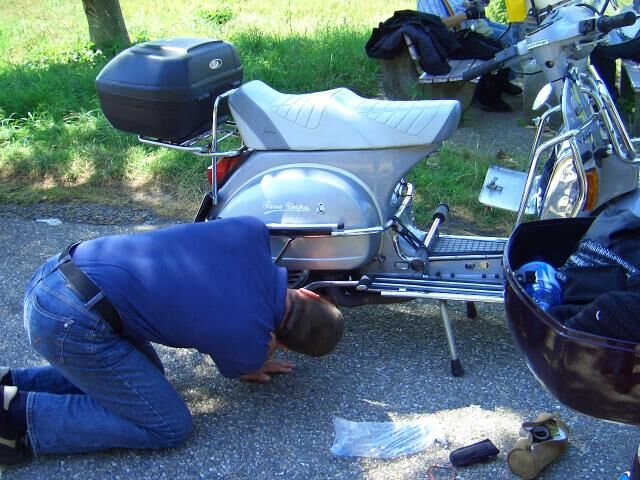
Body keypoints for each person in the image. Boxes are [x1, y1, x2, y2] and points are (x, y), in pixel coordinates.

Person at [0, 216, 344, 467]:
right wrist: (257, 353)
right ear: (284, 343)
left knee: (148, 379)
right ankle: (13, 420)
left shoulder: (251, 231)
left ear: (309, 295)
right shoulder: (247, 342)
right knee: (168, 425)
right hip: (67, 320)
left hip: (59, 272)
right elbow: (242, 368)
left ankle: (12, 383)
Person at [417, 0, 523, 112]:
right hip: (447, 44)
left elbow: (460, 8)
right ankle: (487, 98)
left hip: (463, 35)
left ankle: (501, 85)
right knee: (495, 56)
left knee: (502, 50)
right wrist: (466, 15)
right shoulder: (427, 1)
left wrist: (470, 6)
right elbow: (438, 25)